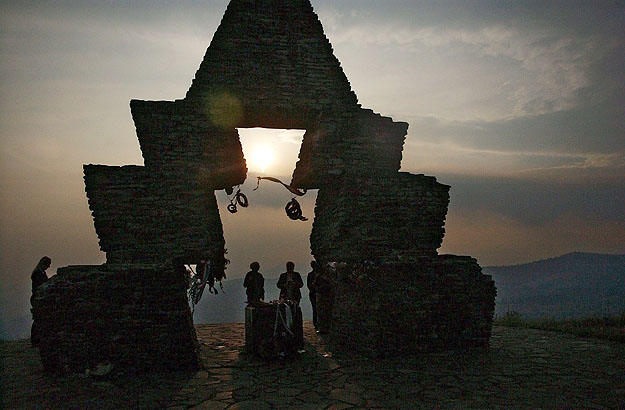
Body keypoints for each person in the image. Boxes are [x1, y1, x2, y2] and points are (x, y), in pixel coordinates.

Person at [30, 256, 51, 346]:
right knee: (38, 318)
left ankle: (37, 339)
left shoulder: (40, 273)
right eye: (48, 264)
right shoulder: (38, 274)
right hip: (37, 297)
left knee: (38, 318)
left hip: (38, 297)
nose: (49, 267)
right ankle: (35, 340)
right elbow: (40, 285)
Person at [314, 265, 335, 334]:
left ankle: (323, 328)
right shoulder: (326, 278)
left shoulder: (321, 277)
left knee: (323, 313)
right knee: (324, 313)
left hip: (324, 297)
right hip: (325, 296)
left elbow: (315, 286)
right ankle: (324, 328)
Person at [306, 261, 320, 330]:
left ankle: (317, 323)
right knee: (315, 309)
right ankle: (316, 323)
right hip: (313, 293)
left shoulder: (311, 275)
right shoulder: (311, 275)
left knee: (316, 309)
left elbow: (308, 285)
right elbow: (309, 285)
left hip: (314, 293)